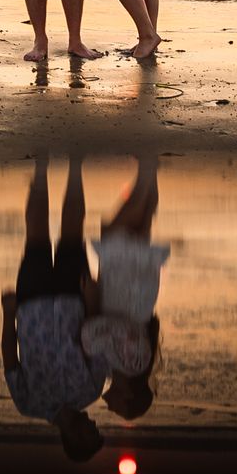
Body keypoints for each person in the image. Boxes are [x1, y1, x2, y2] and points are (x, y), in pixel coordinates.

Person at [1, 154, 107, 460]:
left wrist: (9, 315)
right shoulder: (91, 391)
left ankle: (41, 166)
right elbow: (95, 340)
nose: (93, 424)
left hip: (31, 306)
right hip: (74, 300)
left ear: (72, 438)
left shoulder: (29, 404)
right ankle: (76, 164)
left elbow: (10, 359)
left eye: (91, 432)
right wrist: (92, 302)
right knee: (73, 232)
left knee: (36, 236)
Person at [83, 154, 168, 422]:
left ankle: (149, 172)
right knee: (117, 233)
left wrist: (95, 332)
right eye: (116, 407)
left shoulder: (120, 368)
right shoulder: (134, 365)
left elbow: (112, 332)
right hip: (125, 295)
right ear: (128, 396)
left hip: (130, 295)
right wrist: (91, 331)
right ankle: (147, 169)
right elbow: (116, 329)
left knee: (136, 229)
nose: (109, 406)